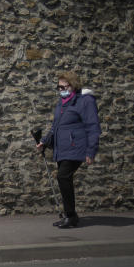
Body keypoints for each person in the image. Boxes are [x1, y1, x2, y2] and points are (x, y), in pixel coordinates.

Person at [35, 71, 101, 228]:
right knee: (65, 179)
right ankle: (69, 216)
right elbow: (56, 127)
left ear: (74, 86)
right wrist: (45, 141)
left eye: (65, 86)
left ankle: (71, 216)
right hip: (62, 148)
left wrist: (91, 151)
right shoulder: (62, 102)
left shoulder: (85, 101)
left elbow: (93, 127)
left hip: (76, 147)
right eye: (59, 87)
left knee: (63, 176)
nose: (62, 90)